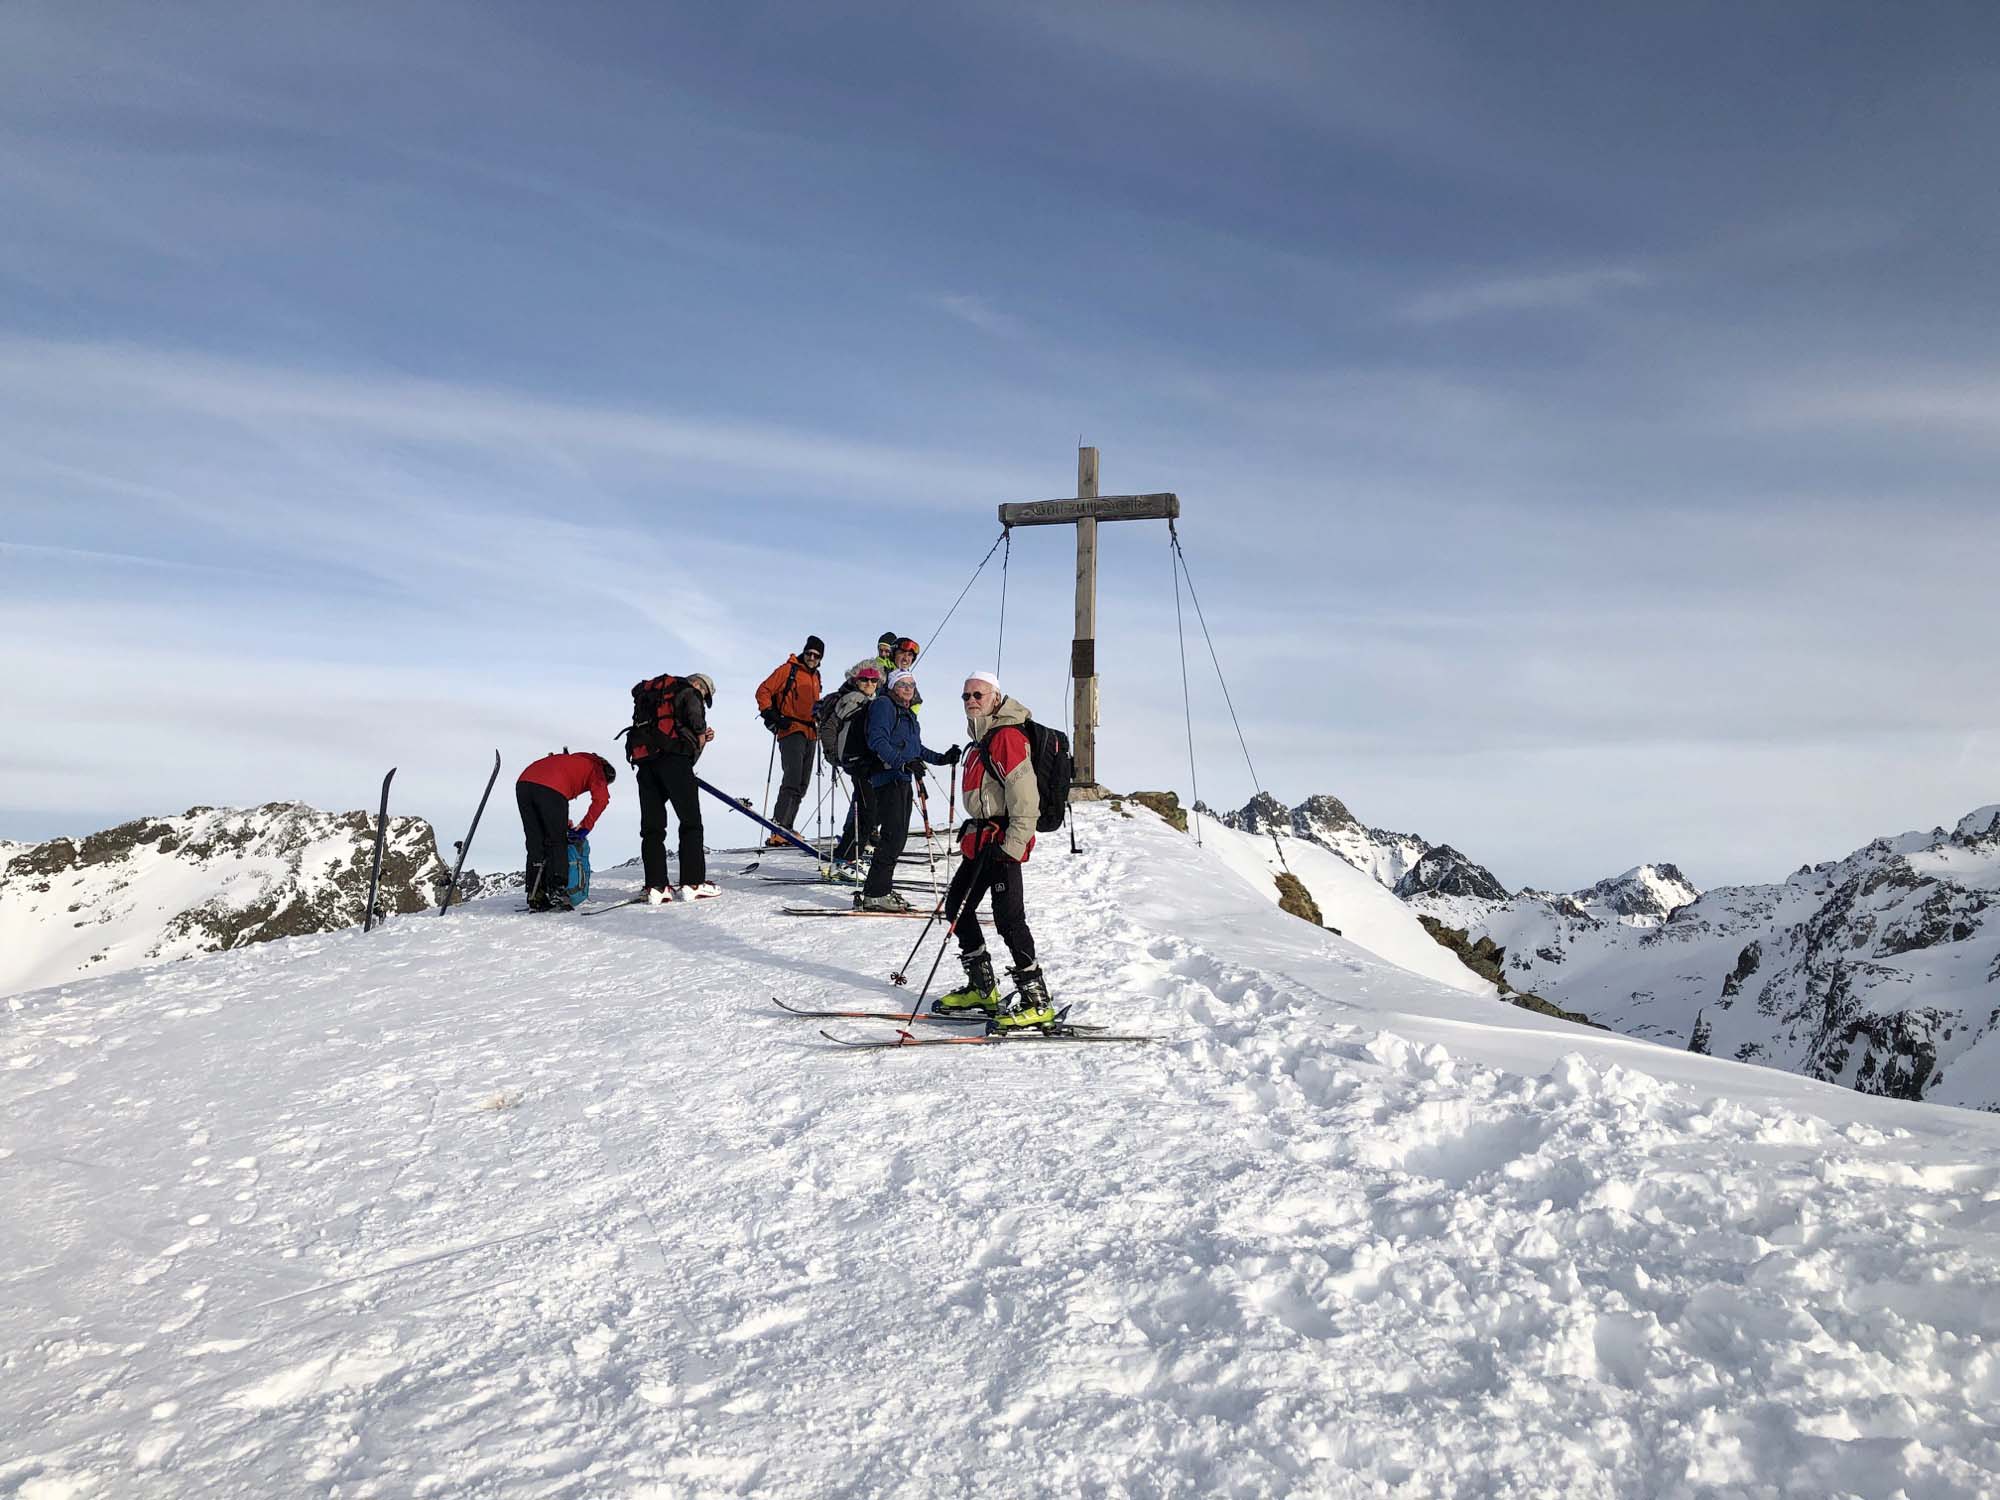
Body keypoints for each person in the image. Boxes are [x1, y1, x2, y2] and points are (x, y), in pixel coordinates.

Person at [935, 672, 1054, 1029]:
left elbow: (1026, 799)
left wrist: (1013, 846)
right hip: (983, 842)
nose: (971, 700)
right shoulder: (981, 740)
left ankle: (1038, 1001)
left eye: (978, 694)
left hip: (1002, 842)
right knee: (957, 906)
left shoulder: (1006, 737)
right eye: (966, 695)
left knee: (1009, 919)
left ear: (996, 698)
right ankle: (983, 988)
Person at [856, 668, 956, 912]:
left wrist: (943, 758)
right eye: (903, 684)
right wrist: (902, 762)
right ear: (892, 687)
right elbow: (877, 740)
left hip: (901, 779)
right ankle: (875, 894)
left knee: (896, 837)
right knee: (893, 837)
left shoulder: (907, 714)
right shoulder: (884, 705)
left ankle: (879, 890)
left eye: (912, 684)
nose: (909, 688)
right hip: (888, 778)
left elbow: (916, 749)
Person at [628, 672, 718, 903]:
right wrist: (701, 735)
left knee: (652, 828)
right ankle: (693, 883)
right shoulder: (689, 692)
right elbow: (696, 722)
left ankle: (656, 887)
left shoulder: (655, 697)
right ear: (699, 684)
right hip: (674, 761)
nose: (703, 696)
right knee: (690, 822)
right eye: (705, 693)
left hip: (646, 763)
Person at [515, 750, 615, 912]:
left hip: (524, 784)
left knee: (535, 840)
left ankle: (535, 893)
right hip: (551, 788)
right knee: (557, 841)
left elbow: (552, 795)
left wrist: (564, 823)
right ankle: (557, 891)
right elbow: (602, 800)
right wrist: (584, 828)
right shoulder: (597, 767)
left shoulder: (573, 761)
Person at [755, 636, 824, 845]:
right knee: (792, 777)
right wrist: (770, 714)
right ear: (804, 652)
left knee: (802, 782)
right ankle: (779, 827)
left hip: (811, 732)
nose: (812, 658)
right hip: (791, 729)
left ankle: (786, 827)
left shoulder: (816, 676)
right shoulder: (789, 669)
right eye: (809, 653)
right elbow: (763, 690)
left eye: (817, 655)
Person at [828, 664, 883, 865]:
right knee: (869, 809)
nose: (869, 683)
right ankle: (848, 857)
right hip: (859, 762)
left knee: (866, 807)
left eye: (873, 680)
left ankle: (846, 853)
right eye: (864, 680)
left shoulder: (870, 702)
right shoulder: (854, 700)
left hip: (864, 762)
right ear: (856, 681)